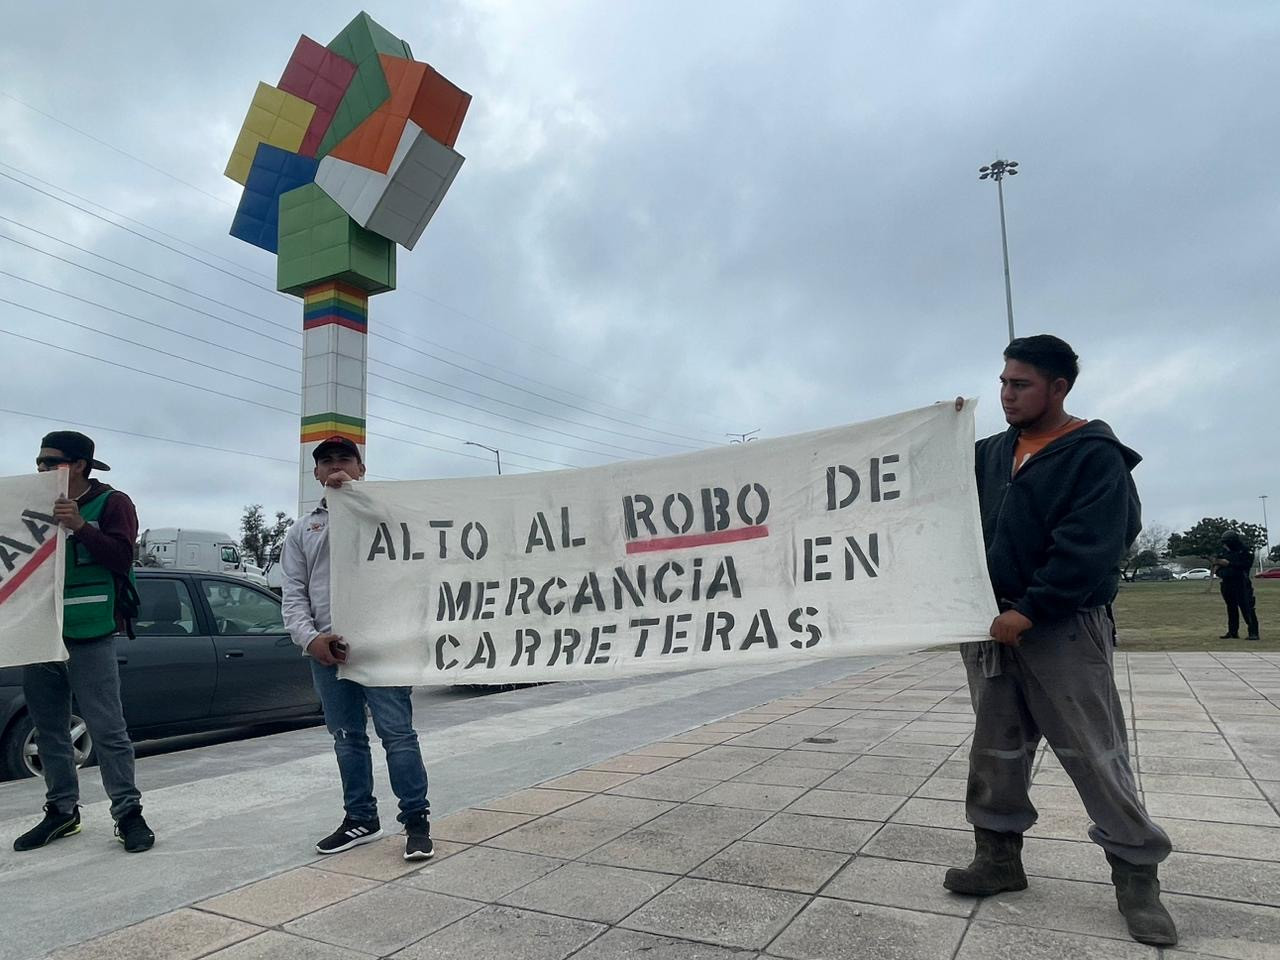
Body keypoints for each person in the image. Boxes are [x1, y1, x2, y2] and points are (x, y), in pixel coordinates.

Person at [944, 335, 1176, 946]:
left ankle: (1136, 874)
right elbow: (943, 512)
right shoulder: (990, 454)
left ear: (1059, 387)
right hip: (989, 627)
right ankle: (998, 857)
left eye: (1019, 384)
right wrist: (935, 436)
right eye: (1002, 382)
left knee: (1094, 752)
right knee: (995, 750)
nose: (1006, 394)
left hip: (1062, 629)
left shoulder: (1093, 455)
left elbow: (1094, 545)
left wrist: (1031, 609)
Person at [281, 436, 433, 860]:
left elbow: (413, 565)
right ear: (315, 474)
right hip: (328, 650)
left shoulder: (387, 515)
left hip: (383, 646)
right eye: (325, 462)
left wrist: (358, 502)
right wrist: (310, 639)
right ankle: (360, 818)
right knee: (347, 738)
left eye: (344, 459)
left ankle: (416, 821)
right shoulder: (301, 530)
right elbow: (293, 592)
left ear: (362, 468)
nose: (335, 468)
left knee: (398, 735)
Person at [14, 431, 154, 853]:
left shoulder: (113, 503)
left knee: (108, 729)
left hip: (91, 631)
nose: (40, 468)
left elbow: (122, 558)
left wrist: (78, 525)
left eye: (49, 461)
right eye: (38, 461)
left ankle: (128, 814)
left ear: (77, 464)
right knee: (50, 728)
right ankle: (61, 812)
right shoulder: (30, 504)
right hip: (40, 630)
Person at [1213, 532, 1260, 641]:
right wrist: (1219, 569)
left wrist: (1229, 564)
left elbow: (1245, 565)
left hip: (1241, 583)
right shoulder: (1224, 551)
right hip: (1227, 582)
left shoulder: (1244, 551)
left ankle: (1253, 632)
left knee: (1247, 607)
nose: (1225, 545)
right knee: (1231, 607)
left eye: (1227, 542)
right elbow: (1218, 566)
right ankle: (1233, 631)